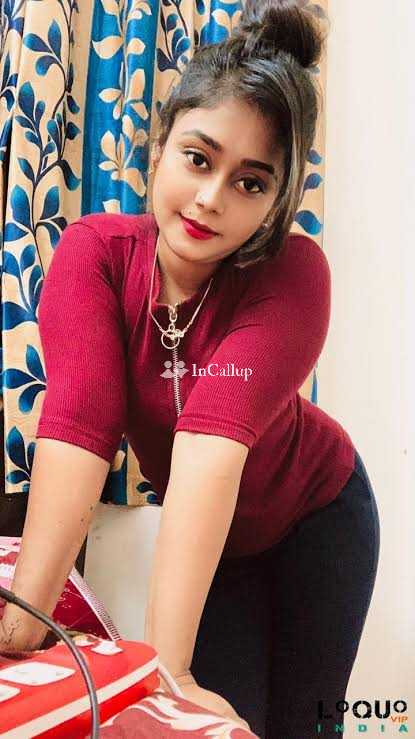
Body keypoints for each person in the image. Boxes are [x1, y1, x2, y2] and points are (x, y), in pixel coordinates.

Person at [0, 1, 380, 736]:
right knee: (229, 717)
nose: (210, 199)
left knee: (306, 724)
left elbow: (209, 445)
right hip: (223, 544)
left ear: (275, 202)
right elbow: (79, 429)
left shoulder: (293, 274)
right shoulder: (94, 256)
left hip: (320, 517)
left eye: (250, 183)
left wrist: (168, 674)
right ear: (159, 146)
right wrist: (23, 624)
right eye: (198, 159)